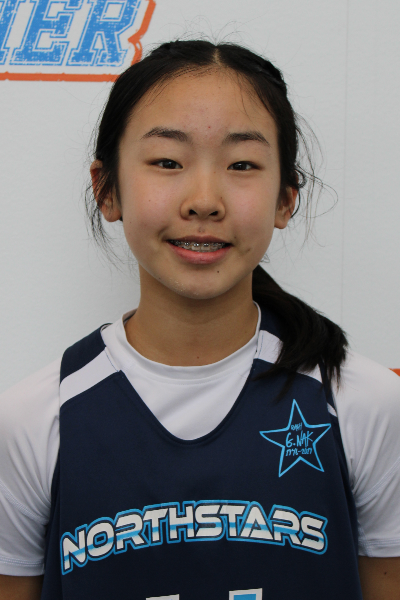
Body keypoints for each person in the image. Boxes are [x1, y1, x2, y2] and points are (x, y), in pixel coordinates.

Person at [0, 40, 399, 600]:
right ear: (107, 188)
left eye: (242, 165)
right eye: (168, 162)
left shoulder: (363, 403)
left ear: (285, 199)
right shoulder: (34, 418)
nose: (204, 200)